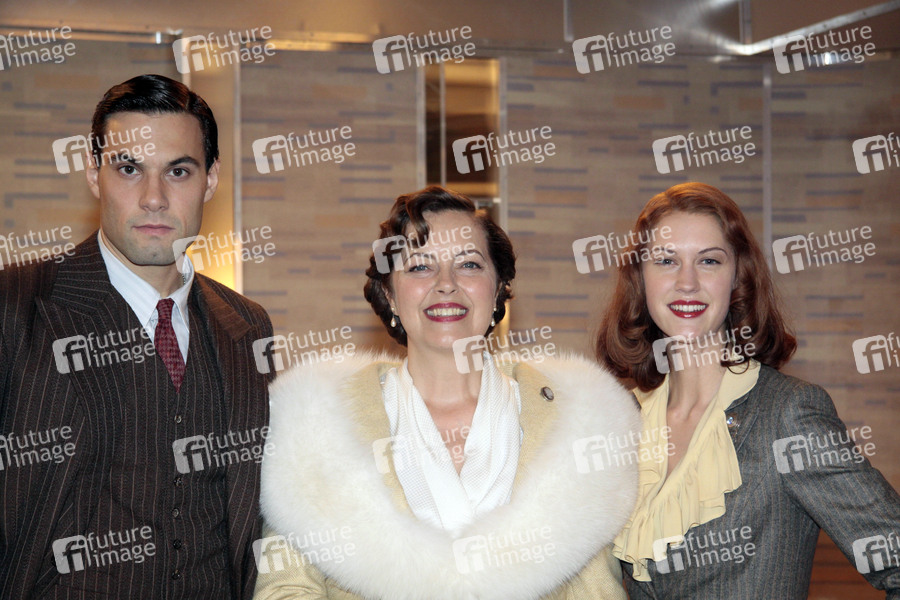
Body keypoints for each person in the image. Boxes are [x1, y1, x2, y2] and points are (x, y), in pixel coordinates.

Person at [254, 186, 639, 599]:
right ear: (389, 294)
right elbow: (285, 590)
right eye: (420, 266)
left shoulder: (576, 424)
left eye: (468, 264)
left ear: (498, 288)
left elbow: (597, 592)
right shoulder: (317, 427)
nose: (446, 284)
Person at [0, 74, 273, 599]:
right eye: (129, 169)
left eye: (178, 171)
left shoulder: (247, 326)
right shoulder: (17, 306)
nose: (154, 198)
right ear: (93, 173)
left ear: (211, 179)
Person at [595, 182, 900, 598]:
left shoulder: (787, 413)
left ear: (738, 276)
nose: (687, 282)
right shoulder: (623, 420)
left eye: (709, 261)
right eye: (666, 260)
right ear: (640, 277)